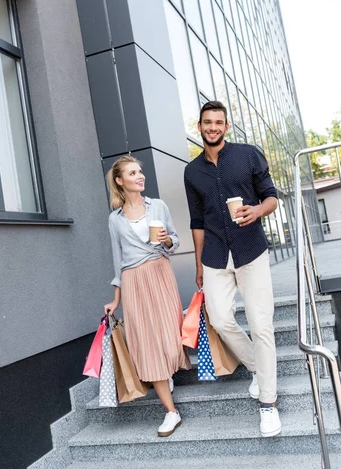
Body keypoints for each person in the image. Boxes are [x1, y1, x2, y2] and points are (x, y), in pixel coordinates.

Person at [184, 100, 281, 437]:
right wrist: (198, 263)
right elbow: (197, 221)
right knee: (222, 319)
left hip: (251, 250)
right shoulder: (192, 171)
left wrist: (257, 211)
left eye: (219, 122)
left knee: (261, 324)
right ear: (199, 127)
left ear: (226, 126)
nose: (213, 127)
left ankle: (268, 403)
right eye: (207, 122)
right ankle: (260, 367)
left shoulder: (248, 154)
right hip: (214, 256)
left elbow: (271, 196)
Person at [104, 155, 190, 437]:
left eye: (140, 171)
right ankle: (170, 412)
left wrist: (166, 239)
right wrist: (115, 299)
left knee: (168, 336)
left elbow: (174, 242)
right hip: (133, 282)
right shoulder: (114, 220)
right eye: (132, 173)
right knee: (147, 344)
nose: (140, 176)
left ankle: (165, 372)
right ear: (120, 181)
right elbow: (118, 261)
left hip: (160, 273)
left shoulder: (159, 206)